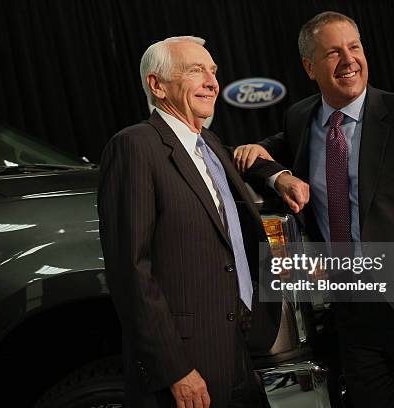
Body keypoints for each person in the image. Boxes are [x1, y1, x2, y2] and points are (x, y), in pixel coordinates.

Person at [234, 11, 394, 408]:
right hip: (353, 319)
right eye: (333, 52)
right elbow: (255, 155)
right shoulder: (300, 119)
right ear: (309, 67)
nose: (349, 60)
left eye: (354, 47)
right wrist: (277, 174)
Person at [98, 36, 280, 408]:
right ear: (157, 85)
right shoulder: (134, 146)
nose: (212, 82)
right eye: (196, 71)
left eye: (213, 71)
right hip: (186, 364)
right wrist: (174, 369)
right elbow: (131, 271)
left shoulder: (210, 143)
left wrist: (279, 174)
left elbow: (244, 165)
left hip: (240, 346)